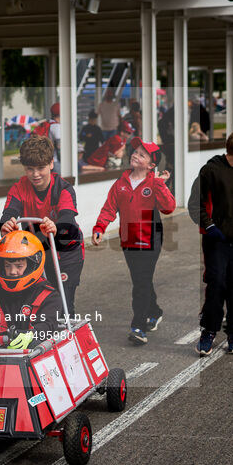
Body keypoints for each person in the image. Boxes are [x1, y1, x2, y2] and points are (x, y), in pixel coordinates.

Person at [91, 139, 175, 344]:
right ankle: (155, 310)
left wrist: (161, 185)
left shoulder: (154, 183)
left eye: (142, 155)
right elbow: (109, 208)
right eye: (136, 151)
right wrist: (99, 227)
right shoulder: (120, 184)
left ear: (151, 165)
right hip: (128, 237)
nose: (136, 155)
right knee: (141, 280)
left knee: (141, 282)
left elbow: (169, 207)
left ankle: (138, 326)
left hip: (150, 238)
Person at [188, 126, 233, 356]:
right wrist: (210, 227)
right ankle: (208, 332)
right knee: (216, 285)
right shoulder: (210, 171)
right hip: (216, 241)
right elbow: (194, 205)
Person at [0, 136, 84, 314]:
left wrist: (56, 227)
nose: (35, 174)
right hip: (37, 252)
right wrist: (7, 224)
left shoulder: (64, 188)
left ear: (51, 164)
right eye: (30, 169)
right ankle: (40, 335)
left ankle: (64, 335)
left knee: (63, 303)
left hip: (66, 253)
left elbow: (67, 219)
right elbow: (8, 213)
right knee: (35, 301)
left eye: (40, 168)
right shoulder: (19, 188)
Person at [0, 231, 65, 349]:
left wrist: (32, 335)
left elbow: (47, 325)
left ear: (32, 265)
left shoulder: (49, 296)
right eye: (8, 266)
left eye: (19, 266)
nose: (12, 272)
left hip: (35, 356)